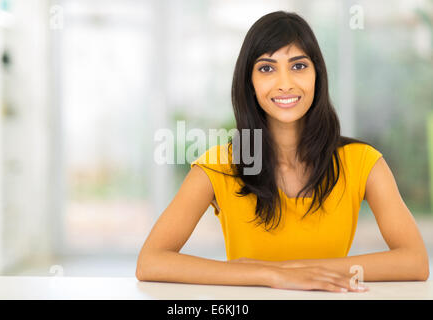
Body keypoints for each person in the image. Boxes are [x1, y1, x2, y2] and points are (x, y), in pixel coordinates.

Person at [136, 11, 429, 293]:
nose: (285, 83)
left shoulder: (363, 162)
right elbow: (150, 261)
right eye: (266, 68)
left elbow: (415, 262)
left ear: (317, 75)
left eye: (298, 66)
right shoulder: (220, 165)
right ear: (249, 82)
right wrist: (272, 275)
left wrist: (300, 270)